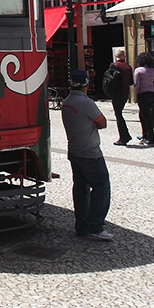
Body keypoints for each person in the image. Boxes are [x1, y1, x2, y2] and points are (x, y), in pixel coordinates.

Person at [60, 69, 113, 241]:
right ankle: (95, 225)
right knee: (101, 186)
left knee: (80, 188)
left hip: (74, 150)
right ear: (86, 85)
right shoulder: (86, 103)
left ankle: (81, 225)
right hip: (90, 152)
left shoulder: (66, 102)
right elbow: (102, 122)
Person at [104, 48, 134, 145]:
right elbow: (131, 82)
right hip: (125, 94)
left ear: (116, 56)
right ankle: (125, 135)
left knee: (118, 115)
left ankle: (124, 136)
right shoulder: (128, 67)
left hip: (116, 93)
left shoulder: (114, 66)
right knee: (119, 113)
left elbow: (110, 80)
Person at [133, 52, 154, 146]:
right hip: (152, 93)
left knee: (145, 116)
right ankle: (145, 136)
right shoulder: (152, 70)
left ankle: (150, 138)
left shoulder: (138, 71)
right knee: (144, 114)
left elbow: (136, 84)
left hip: (142, 94)